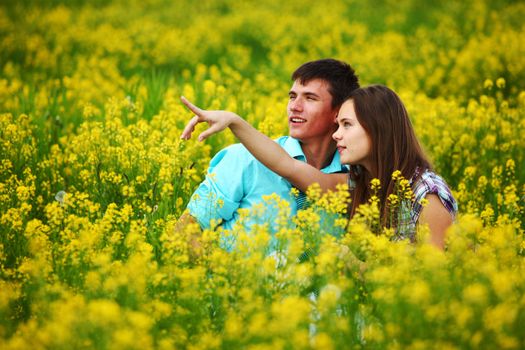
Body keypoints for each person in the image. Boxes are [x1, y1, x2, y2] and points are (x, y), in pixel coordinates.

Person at [180, 85, 458, 249]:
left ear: (378, 130)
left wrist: (357, 270)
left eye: (346, 125)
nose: (337, 134)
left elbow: (433, 281)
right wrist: (233, 121)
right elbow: (287, 166)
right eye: (338, 125)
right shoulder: (359, 183)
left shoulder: (426, 195)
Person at [178, 59, 360, 243]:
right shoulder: (243, 158)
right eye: (292, 96)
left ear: (339, 113)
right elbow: (185, 230)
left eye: (310, 98)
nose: (294, 107)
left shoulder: (354, 179)